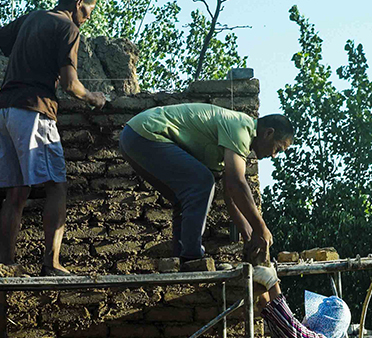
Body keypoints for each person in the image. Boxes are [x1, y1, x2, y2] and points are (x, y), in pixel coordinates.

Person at [0, 0, 108, 276]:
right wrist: (94, 98)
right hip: (35, 111)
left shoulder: (33, 18)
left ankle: (8, 263)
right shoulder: (68, 28)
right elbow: (73, 86)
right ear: (78, 4)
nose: (88, 18)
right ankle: (52, 263)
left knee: (16, 193)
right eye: (88, 11)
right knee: (57, 186)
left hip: (5, 113)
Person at [119, 104, 293, 268]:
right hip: (145, 132)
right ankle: (192, 257)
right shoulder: (242, 127)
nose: (274, 155)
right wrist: (261, 229)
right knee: (202, 181)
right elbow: (237, 184)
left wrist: (248, 237)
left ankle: (183, 260)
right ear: (268, 133)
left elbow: (230, 196)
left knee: (184, 197)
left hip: (132, 137)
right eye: (278, 148)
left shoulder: (237, 145)